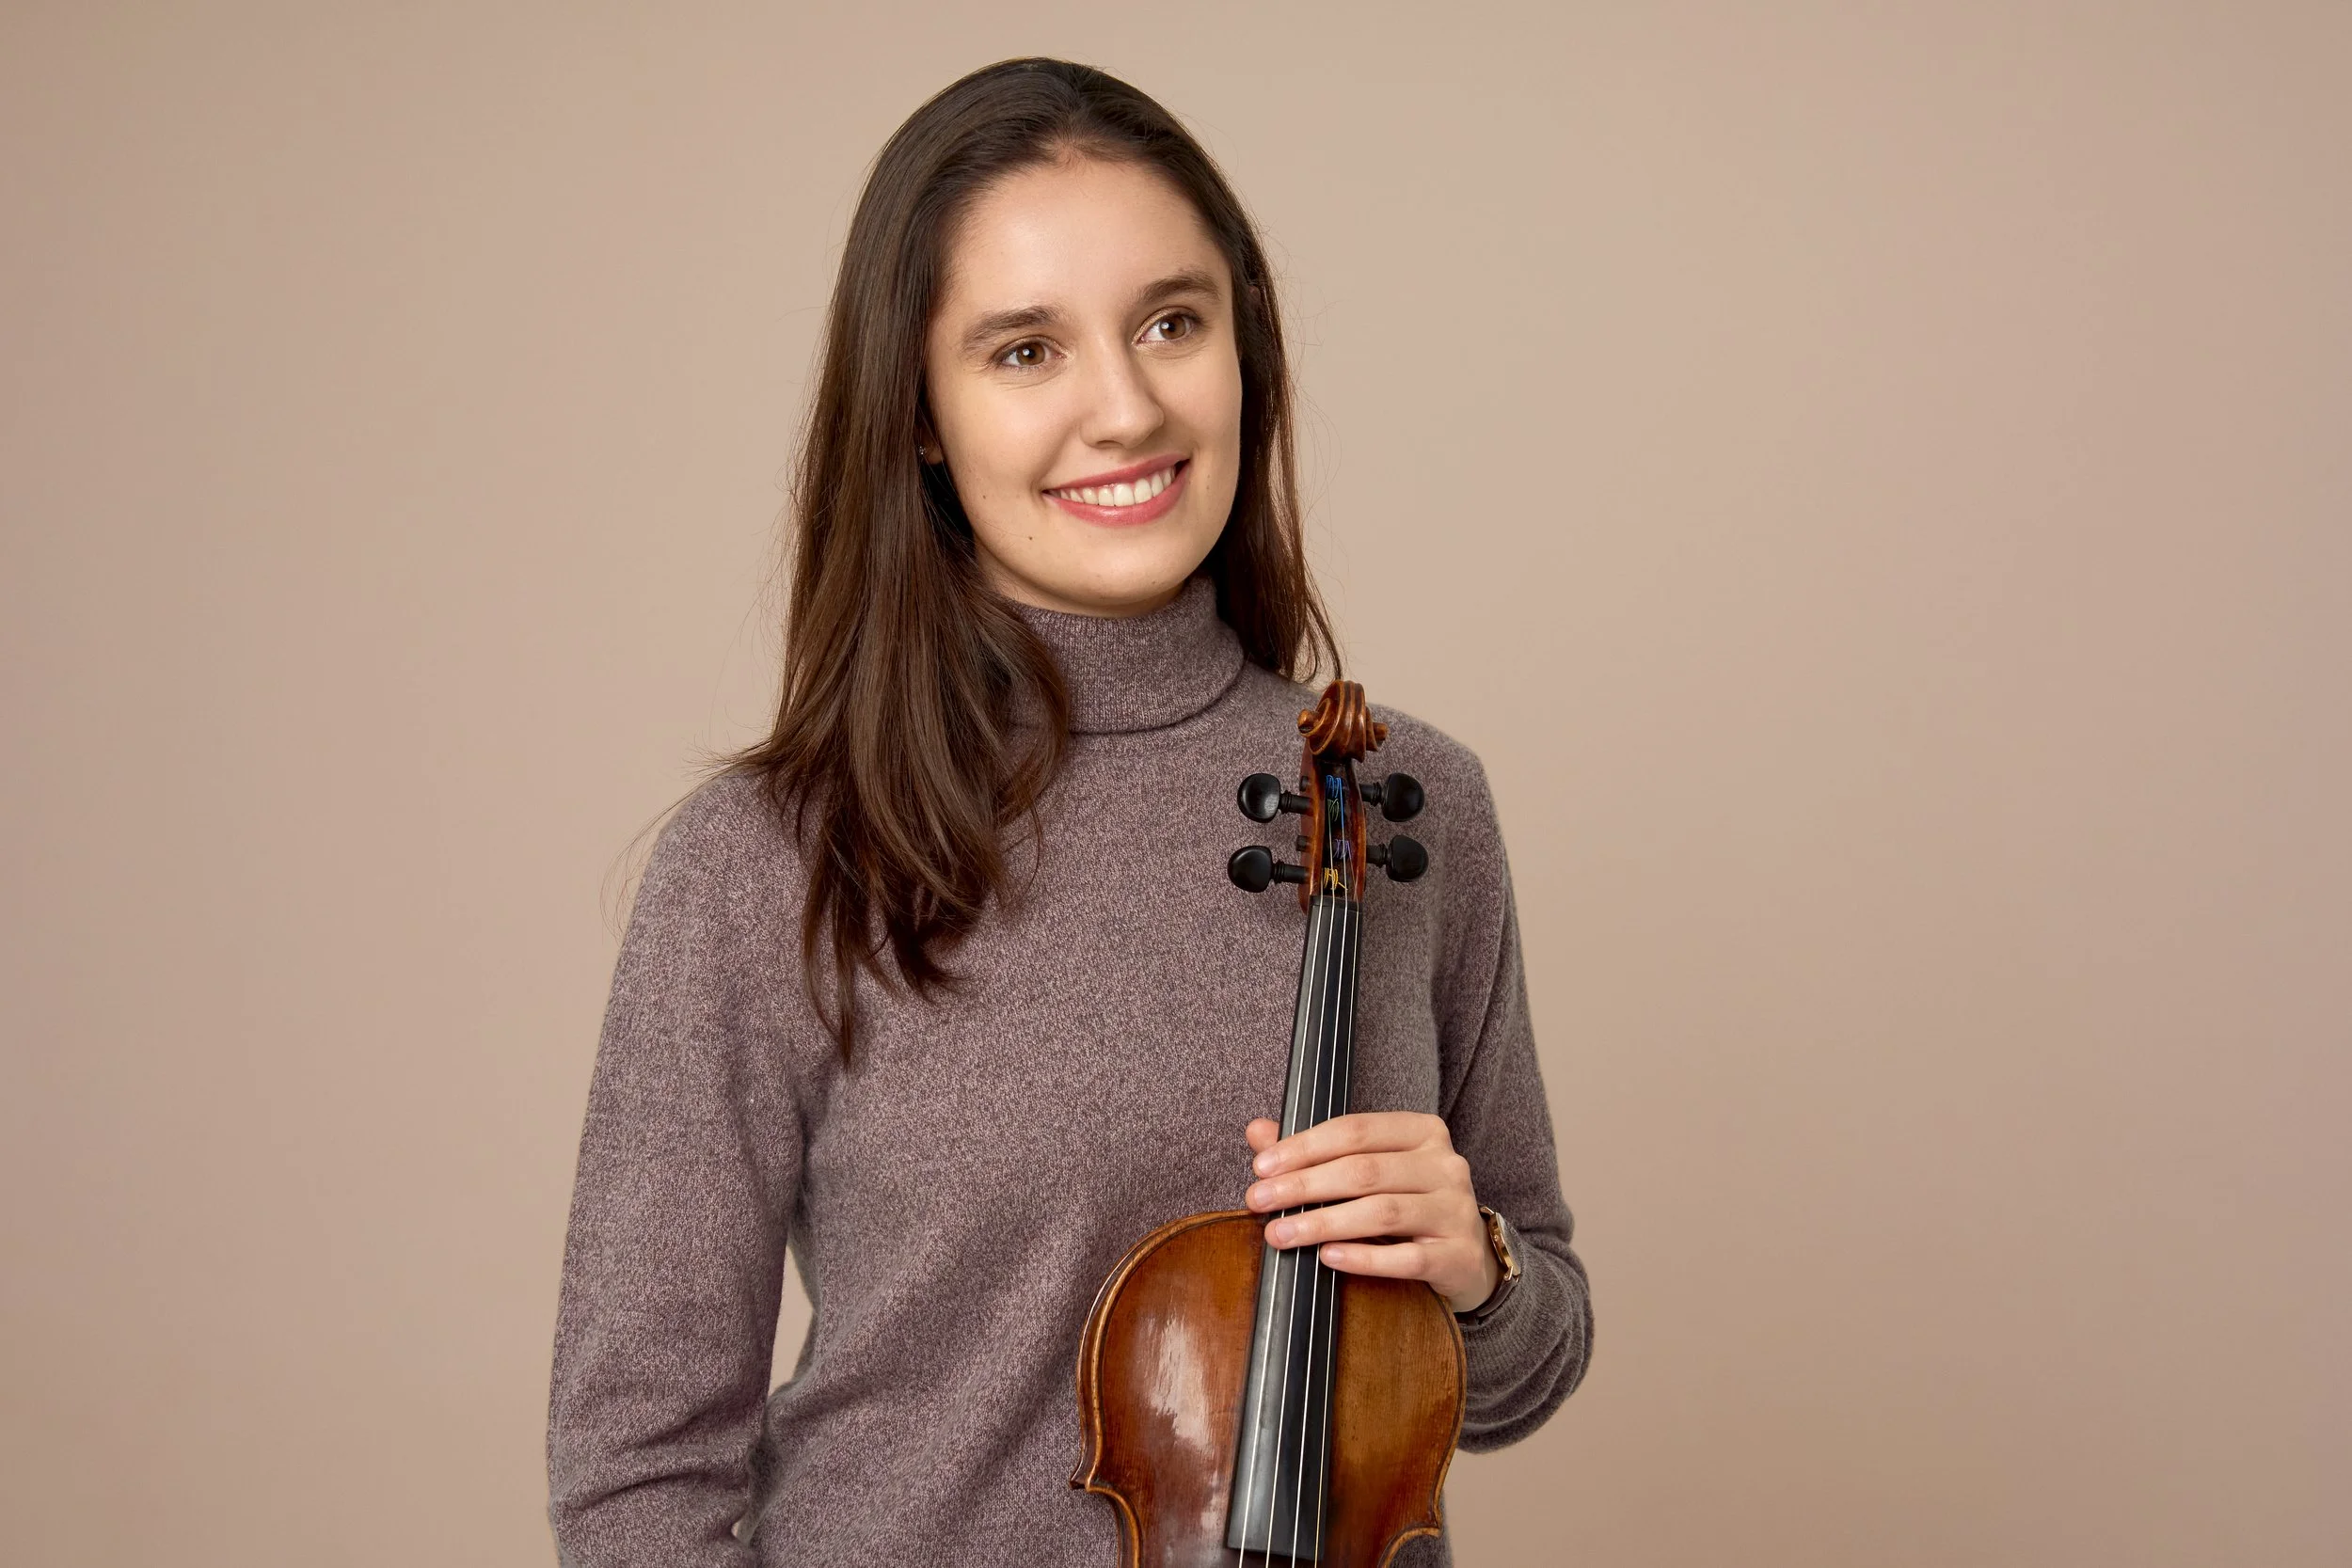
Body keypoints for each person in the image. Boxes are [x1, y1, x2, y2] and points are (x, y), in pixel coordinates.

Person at [546, 56, 1592, 1568]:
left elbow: (1525, 1361)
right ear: (919, 416)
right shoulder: (768, 858)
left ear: (1246, 347)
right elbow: (633, 1469)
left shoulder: (1407, 803)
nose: (1126, 407)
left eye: (1172, 323)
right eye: (1026, 350)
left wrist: (1480, 1270)